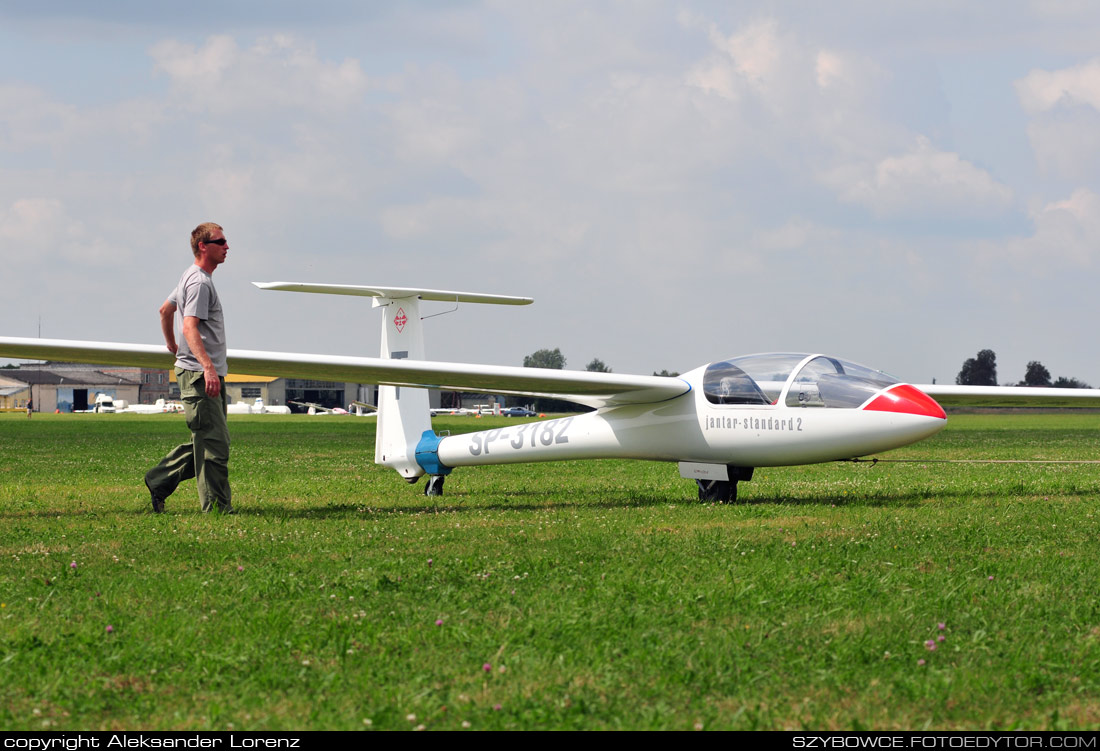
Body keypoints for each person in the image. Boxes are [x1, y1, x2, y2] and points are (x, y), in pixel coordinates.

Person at [143, 222, 234, 514]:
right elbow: (189, 325)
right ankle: (218, 510)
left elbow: (165, 310)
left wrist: (172, 345)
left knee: (206, 440)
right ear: (203, 247)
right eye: (220, 241)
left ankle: (159, 480)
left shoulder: (192, 276)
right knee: (214, 448)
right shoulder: (198, 282)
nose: (227, 247)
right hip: (200, 374)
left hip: (200, 371)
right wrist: (206, 367)